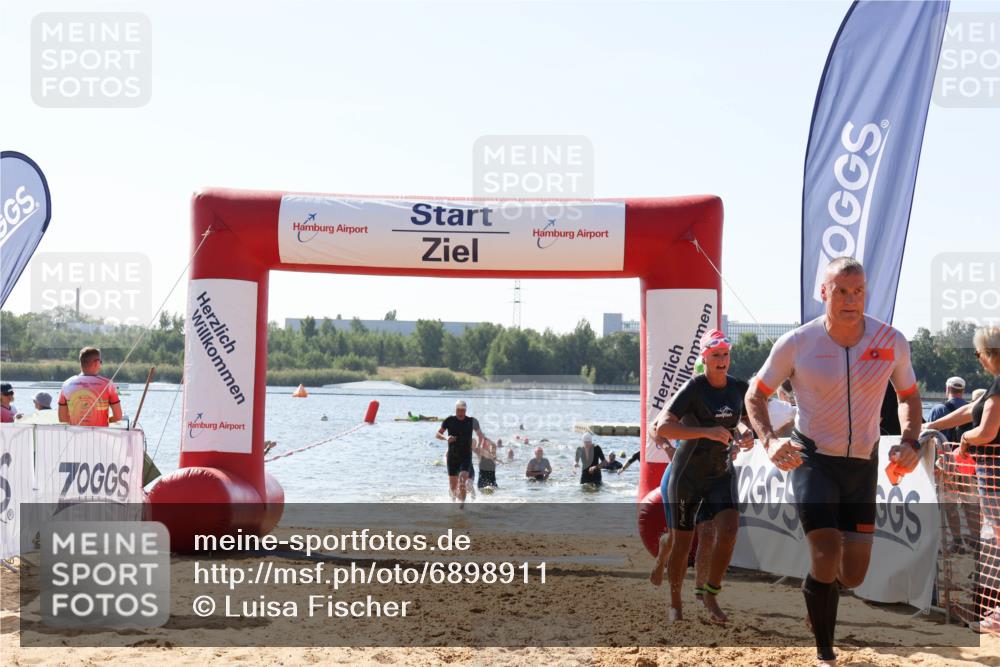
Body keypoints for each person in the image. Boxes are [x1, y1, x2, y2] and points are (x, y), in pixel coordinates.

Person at [744, 258, 922, 666]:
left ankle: (817, 595)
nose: (850, 299)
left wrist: (910, 440)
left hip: (862, 464)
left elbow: (909, 396)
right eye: (841, 291)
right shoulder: (797, 342)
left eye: (858, 291)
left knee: (853, 574)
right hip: (814, 459)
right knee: (825, 553)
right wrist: (769, 440)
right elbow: (755, 395)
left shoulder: (890, 340)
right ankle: (825, 653)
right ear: (823, 293)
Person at [648, 328, 755, 624]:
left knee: (729, 529)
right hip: (687, 475)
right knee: (683, 543)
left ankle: (710, 592)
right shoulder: (694, 388)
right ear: (705, 359)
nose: (722, 360)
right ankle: (675, 604)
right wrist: (705, 432)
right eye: (716, 355)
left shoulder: (738, 388)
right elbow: (661, 427)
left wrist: (747, 435)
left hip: (720, 473)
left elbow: (745, 421)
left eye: (726, 355)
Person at [925, 326, 1000, 635]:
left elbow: (985, 430)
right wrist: (930, 424)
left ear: (991, 353)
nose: (978, 359)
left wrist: (966, 440)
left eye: (978, 353)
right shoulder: (995, 387)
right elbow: (972, 410)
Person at [436, 400, 486, 507]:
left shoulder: (472, 421)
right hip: (452, 457)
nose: (460, 412)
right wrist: (446, 437)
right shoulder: (449, 420)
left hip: (466, 456)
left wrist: (478, 447)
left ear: (465, 410)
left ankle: (462, 507)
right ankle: (455, 502)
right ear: (455, 409)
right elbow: (438, 434)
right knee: (453, 487)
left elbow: (480, 435)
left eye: (462, 410)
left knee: (463, 480)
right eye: (457, 410)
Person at [58, 347, 123, 427]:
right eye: (101, 362)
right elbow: (118, 416)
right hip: (99, 436)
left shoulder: (66, 384)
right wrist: (105, 421)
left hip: (75, 436)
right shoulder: (108, 384)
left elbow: (62, 418)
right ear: (96, 363)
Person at [929, 377, 969, 443]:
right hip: (966, 451)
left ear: (948, 388)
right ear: (963, 391)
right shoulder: (972, 409)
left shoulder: (938, 409)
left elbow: (928, 434)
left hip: (943, 451)